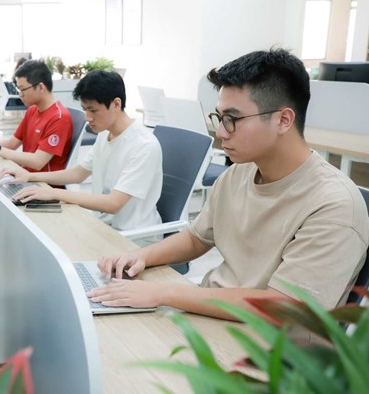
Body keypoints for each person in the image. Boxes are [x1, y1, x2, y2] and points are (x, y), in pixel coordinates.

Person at [91, 48, 369, 318]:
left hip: (265, 350)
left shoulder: (334, 205)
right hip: (211, 315)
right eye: (220, 118)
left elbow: (284, 306)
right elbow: (196, 237)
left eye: (232, 119)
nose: (221, 132)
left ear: (283, 120)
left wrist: (163, 293)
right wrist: (140, 256)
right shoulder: (239, 173)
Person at [0, 70, 162, 239]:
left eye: (93, 110)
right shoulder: (105, 135)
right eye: (84, 109)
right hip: (103, 226)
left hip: (135, 238)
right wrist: (29, 177)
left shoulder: (143, 146)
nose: (87, 117)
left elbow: (114, 203)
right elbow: (77, 174)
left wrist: (55, 194)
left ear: (116, 104)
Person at [0, 59, 74, 173]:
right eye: (18, 89)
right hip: (24, 174)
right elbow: (11, 144)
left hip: (44, 184)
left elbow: (37, 162)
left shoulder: (59, 118)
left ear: (40, 87)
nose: (20, 94)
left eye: (23, 89)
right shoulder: (33, 110)